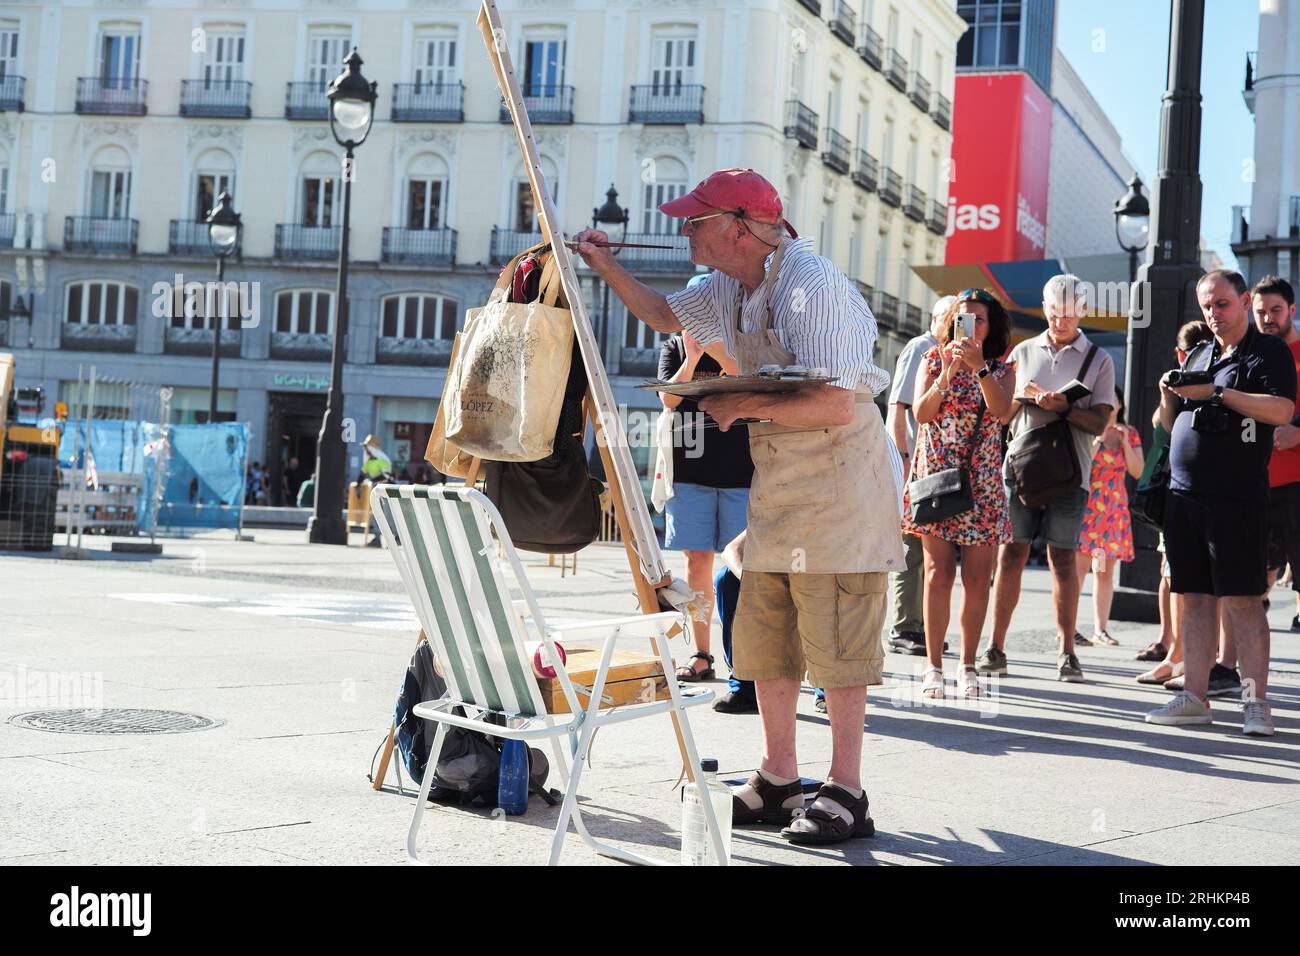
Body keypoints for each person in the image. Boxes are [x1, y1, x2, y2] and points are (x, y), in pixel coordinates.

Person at [572, 167, 903, 845]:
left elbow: (840, 401)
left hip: (841, 475)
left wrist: (738, 402)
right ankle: (780, 776)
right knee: (768, 630)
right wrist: (603, 264)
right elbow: (665, 316)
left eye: (698, 219)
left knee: (838, 635)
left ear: (743, 228)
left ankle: (847, 789)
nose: (685, 228)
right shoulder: (730, 284)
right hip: (782, 475)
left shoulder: (813, 286)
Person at [1146, 270, 1297, 735]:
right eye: (1207, 306)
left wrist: (1214, 391)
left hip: (1237, 495)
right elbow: (1173, 427)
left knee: (1242, 600)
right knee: (1193, 598)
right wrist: (1169, 395)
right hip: (1184, 493)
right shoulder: (1200, 351)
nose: (1214, 314)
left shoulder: (1267, 351)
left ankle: (1256, 705)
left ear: (1244, 300)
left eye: (1223, 304)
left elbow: (1281, 410)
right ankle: (1194, 696)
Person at [979, 275, 1115, 683]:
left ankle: (1067, 650)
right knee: (1010, 556)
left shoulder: (1099, 360)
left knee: (1063, 561)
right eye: (1055, 312)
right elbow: (1000, 412)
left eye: (1070, 314)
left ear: (1084, 311)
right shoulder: (1022, 351)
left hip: (1072, 472)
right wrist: (1027, 396)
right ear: (1045, 307)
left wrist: (1063, 407)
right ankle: (995, 645)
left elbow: (1100, 422)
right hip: (1021, 470)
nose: (1061, 321)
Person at [901, 291, 1015, 698]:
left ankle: (967, 665)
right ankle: (933, 666)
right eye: (964, 318)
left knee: (978, 577)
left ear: (991, 326)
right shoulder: (932, 360)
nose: (971, 326)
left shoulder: (1002, 368)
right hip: (935, 477)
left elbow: (1002, 412)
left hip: (981, 481)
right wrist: (948, 371)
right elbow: (922, 413)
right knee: (937, 573)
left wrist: (979, 369)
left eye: (979, 319)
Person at [657, 326, 754, 691]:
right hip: (689, 471)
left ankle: (743, 659)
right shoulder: (675, 347)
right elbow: (668, 400)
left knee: (741, 567)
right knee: (696, 562)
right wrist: (693, 356)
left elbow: (747, 382)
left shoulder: (743, 343)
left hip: (742, 472)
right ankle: (703, 654)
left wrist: (721, 350)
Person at [1136, 320, 1212, 683]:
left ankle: (1190, 656)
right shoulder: (1178, 386)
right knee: (1171, 575)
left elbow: (1169, 428)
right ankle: (1176, 651)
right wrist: (1170, 393)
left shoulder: (1211, 384)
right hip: (1172, 490)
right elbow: (1163, 426)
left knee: (1186, 578)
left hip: (1191, 490)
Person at [886, 294, 956, 656]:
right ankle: (904, 626)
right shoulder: (921, 346)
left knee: (928, 549)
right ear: (935, 317)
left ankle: (922, 625)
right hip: (914, 462)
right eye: (950, 316)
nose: (955, 322)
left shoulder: (952, 353)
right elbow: (898, 406)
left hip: (933, 467)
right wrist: (902, 457)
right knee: (911, 547)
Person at [1074, 389, 1144, 645]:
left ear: (1120, 403)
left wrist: (1125, 443)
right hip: (1088, 511)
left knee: (1102, 571)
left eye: (1115, 398)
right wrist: (1099, 439)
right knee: (1078, 570)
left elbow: (1137, 471)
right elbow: (1083, 466)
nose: (1111, 402)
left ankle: (1100, 629)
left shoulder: (1130, 432)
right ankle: (1068, 627)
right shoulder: (1090, 430)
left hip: (1111, 514)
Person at [1252, 275, 1300, 632]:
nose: (1269, 318)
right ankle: (1232, 664)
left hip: (1297, 484)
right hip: (1253, 482)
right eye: (1261, 311)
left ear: (1292, 311)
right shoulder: (1246, 356)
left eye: (1276, 310)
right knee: (1251, 581)